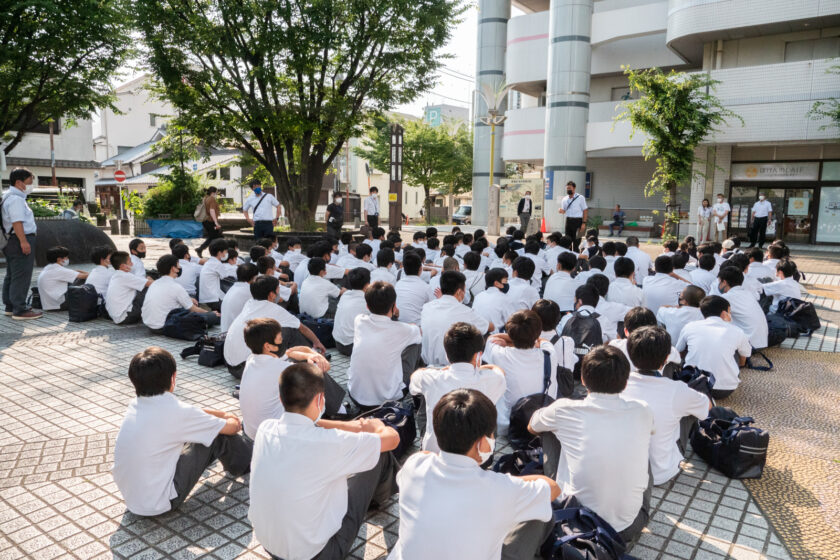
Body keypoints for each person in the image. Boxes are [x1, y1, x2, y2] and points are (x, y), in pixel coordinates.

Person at [248, 362, 399, 560]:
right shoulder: (328, 443)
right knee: (379, 453)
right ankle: (379, 500)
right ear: (320, 399)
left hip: (269, 545)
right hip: (318, 554)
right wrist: (377, 426)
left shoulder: (266, 428)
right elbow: (392, 439)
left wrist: (353, 427)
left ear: (280, 398)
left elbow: (311, 423)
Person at [391, 389, 559, 560]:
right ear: (482, 443)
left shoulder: (414, 465)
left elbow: (427, 457)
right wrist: (510, 481)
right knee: (540, 511)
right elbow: (553, 489)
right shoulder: (499, 489)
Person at [529, 345, 654, 543]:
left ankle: (559, 492)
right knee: (641, 444)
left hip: (576, 522)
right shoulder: (643, 410)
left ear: (583, 379)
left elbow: (532, 426)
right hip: (630, 526)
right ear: (626, 381)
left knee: (549, 430)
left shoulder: (564, 409)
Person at [113, 347, 253, 516]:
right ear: (173, 378)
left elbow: (190, 413)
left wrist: (221, 414)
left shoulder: (136, 405)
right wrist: (231, 419)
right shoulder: (178, 412)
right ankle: (248, 463)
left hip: (133, 499)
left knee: (201, 428)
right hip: (161, 503)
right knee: (217, 435)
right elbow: (230, 428)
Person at [622, 327, 710, 485]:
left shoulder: (618, 382)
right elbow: (706, 408)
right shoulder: (676, 389)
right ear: (667, 358)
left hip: (623, 472)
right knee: (690, 410)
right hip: (659, 473)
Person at [409, 323, 506, 452]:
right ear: (478, 355)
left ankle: (426, 439)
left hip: (435, 452)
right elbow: (499, 371)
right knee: (489, 407)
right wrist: (482, 367)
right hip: (477, 456)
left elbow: (415, 377)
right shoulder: (492, 379)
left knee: (425, 395)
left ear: (447, 355)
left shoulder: (430, 377)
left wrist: (441, 369)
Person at [239, 318, 330, 439]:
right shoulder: (284, 369)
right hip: (275, 437)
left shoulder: (252, 359)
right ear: (268, 346)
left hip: (251, 432)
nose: (283, 341)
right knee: (316, 381)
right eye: (280, 338)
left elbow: (288, 352)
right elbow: (323, 367)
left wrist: (307, 354)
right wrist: (312, 352)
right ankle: (338, 412)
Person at [224, 275, 326, 376]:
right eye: (278, 290)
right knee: (291, 330)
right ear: (272, 294)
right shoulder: (274, 309)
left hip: (231, 367)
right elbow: (302, 328)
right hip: (247, 369)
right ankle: (313, 358)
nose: (279, 293)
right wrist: (317, 342)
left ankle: (306, 356)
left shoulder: (249, 304)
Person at [348, 282, 422, 408]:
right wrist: (395, 317)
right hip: (388, 399)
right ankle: (418, 392)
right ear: (394, 306)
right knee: (416, 343)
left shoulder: (359, 320)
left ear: (367, 305)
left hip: (355, 395)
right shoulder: (402, 330)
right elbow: (417, 331)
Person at [484, 311, 559, 435]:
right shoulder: (549, 353)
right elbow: (542, 341)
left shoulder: (499, 354)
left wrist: (510, 340)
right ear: (538, 332)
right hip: (545, 422)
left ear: (510, 332)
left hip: (509, 426)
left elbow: (492, 338)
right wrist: (521, 338)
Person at [676, 296, 753, 399]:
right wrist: (741, 365)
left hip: (693, 386)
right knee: (735, 349)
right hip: (724, 390)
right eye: (729, 311)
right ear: (724, 313)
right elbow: (746, 354)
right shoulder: (736, 331)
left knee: (689, 347)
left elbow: (678, 350)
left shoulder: (690, 326)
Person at [421, 271, 492, 366]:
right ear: (459, 292)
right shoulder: (465, 311)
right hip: (454, 366)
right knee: (485, 334)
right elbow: (490, 327)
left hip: (427, 364)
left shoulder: (426, 307)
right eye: (464, 291)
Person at [141, 255, 221, 333]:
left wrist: (189, 299)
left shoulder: (155, 283)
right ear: (173, 268)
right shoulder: (175, 286)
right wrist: (210, 313)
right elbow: (193, 309)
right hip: (164, 326)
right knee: (213, 317)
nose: (180, 267)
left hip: (150, 325)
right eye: (178, 264)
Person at [718, 266, 769, 349]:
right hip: (761, 341)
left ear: (724, 282)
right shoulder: (748, 293)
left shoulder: (727, 297)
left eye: (719, 281)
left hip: (749, 345)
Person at [105, 251, 153, 324]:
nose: (132, 264)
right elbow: (150, 284)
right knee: (147, 288)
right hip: (125, 317)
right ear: (122, 266)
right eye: (130, 261)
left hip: (116, 316)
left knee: (142, 287)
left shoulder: (117, 275)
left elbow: (139, 280)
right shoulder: (125, 276)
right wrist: (150, 279)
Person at [34, 246, 88, 311]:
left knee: (74, 279)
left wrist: (79, 272)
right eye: (66, 257)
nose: (67, 259)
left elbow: (74, 272)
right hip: (59, 304)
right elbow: (85, 276)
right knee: (82, 280)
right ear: (59, 259)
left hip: (49, 304)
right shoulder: (59, 270)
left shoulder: (48, 268)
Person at [332, 268, 371, 356]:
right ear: (367, 285)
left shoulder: (345, 295)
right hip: (353, 347)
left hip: (337, 343)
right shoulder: (367, 300)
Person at [395, 252, 436, 325]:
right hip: (417, 327)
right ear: (420, 269)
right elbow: (432, 309)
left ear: (403, 269)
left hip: (399, 324)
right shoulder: (426, 287)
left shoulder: (397, 285)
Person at [587, 274, 629, 342]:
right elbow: (637, 312)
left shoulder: (580, 306)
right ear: (607, 290)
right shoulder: (615, 307)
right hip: (607, 347)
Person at [471, 268, 513, 334]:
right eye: (506, 281)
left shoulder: (479, 295)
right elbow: (510, 321)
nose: (507, 283)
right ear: (496, 283)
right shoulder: (504, 298)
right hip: (493, 336)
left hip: (476, 334)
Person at [220, 263, 259, 332]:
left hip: (225, 331)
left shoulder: (234, 287)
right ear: (254, 278)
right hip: (236, 334)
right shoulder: (249, 291)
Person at [198, 239, 232, 311]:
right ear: (220, 252)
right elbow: (226, 276)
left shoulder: (209, 262)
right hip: (213, 299)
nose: (226, 253)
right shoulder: (217, 264)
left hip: (205, 297)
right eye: (226, 251)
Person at [557, 181, 588, 252]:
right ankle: (568, 258)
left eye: (570, 188)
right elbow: (564, 210)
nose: (568, 190)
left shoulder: (580, 198)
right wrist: (561, 210)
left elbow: (585, 210)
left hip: (578, 221)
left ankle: (576, 258)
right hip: (568, 221)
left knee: (577, 242)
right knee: (568, 241)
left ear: (574, 188)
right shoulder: (564, 199)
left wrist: (584, 223)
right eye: (567, 188)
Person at [194, 187, 223, 257]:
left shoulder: (206, 198)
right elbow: (212, 210)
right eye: (216, 192)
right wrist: (216, 222)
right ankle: (201, 249)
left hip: (206, 221)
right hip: (210, 221)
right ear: (213, 192)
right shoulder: (212, 199)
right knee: (214, 236)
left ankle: (219, 251)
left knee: (217, 236)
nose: (217, 194)